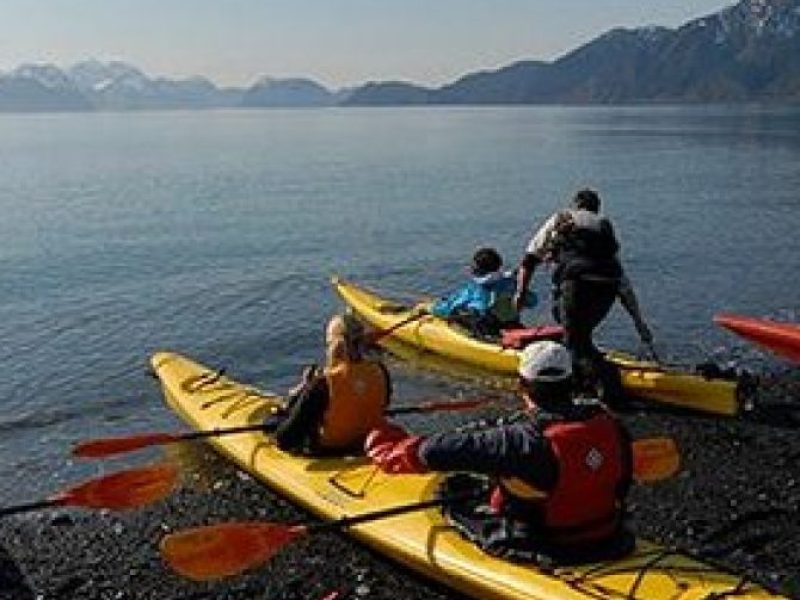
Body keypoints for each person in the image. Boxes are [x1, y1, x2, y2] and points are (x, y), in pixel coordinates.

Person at [365, 341, 632, 554]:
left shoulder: (517, 441)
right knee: (505, 482)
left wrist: (386, 448)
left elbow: (434, 452)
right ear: (570, 382)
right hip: (609, 534)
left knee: (450, 495)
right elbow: (622, 482)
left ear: (522, 385)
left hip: (548, 544)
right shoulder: (610, 425)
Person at [513, 188, 653, 389]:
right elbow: (621, 278)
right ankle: (589, 365)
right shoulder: (604, 227)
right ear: (597, 208)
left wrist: (520, 293)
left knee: (573, 340)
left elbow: (530, 259)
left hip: (577, 284)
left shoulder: (562, 219)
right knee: (580, 336)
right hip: (608, 289)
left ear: (575, 205)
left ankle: (594, 383)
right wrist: (639, 322)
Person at [271, 313, 392, 454]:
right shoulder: (380, 371)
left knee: (272, 420)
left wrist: (304, 389)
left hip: (330, 450)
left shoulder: (323, 384)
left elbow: (285, 440)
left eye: (328, 344)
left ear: (335, 346)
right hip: (367, 441)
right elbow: (381, 405)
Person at [430, 247, 535, 337]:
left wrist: (433, 309)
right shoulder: (512, 283)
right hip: (510, 323)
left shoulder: (476, 288)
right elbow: (533, 301)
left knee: (457, 310)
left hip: (488, 328)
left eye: (473, 266)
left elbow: (450, 307)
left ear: (478, 269)